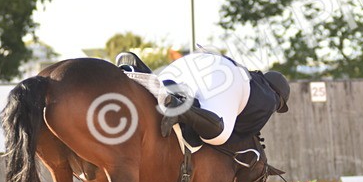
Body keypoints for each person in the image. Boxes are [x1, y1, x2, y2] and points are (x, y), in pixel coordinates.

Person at [115, 50, 290, 146]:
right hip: (223, 77)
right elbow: (237, 137)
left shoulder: (252, 76)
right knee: (219, 136)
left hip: (195, 62)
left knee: (165, 89)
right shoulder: (269, 98)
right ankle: (180, 108)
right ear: (279, 97)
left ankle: (140, 71)